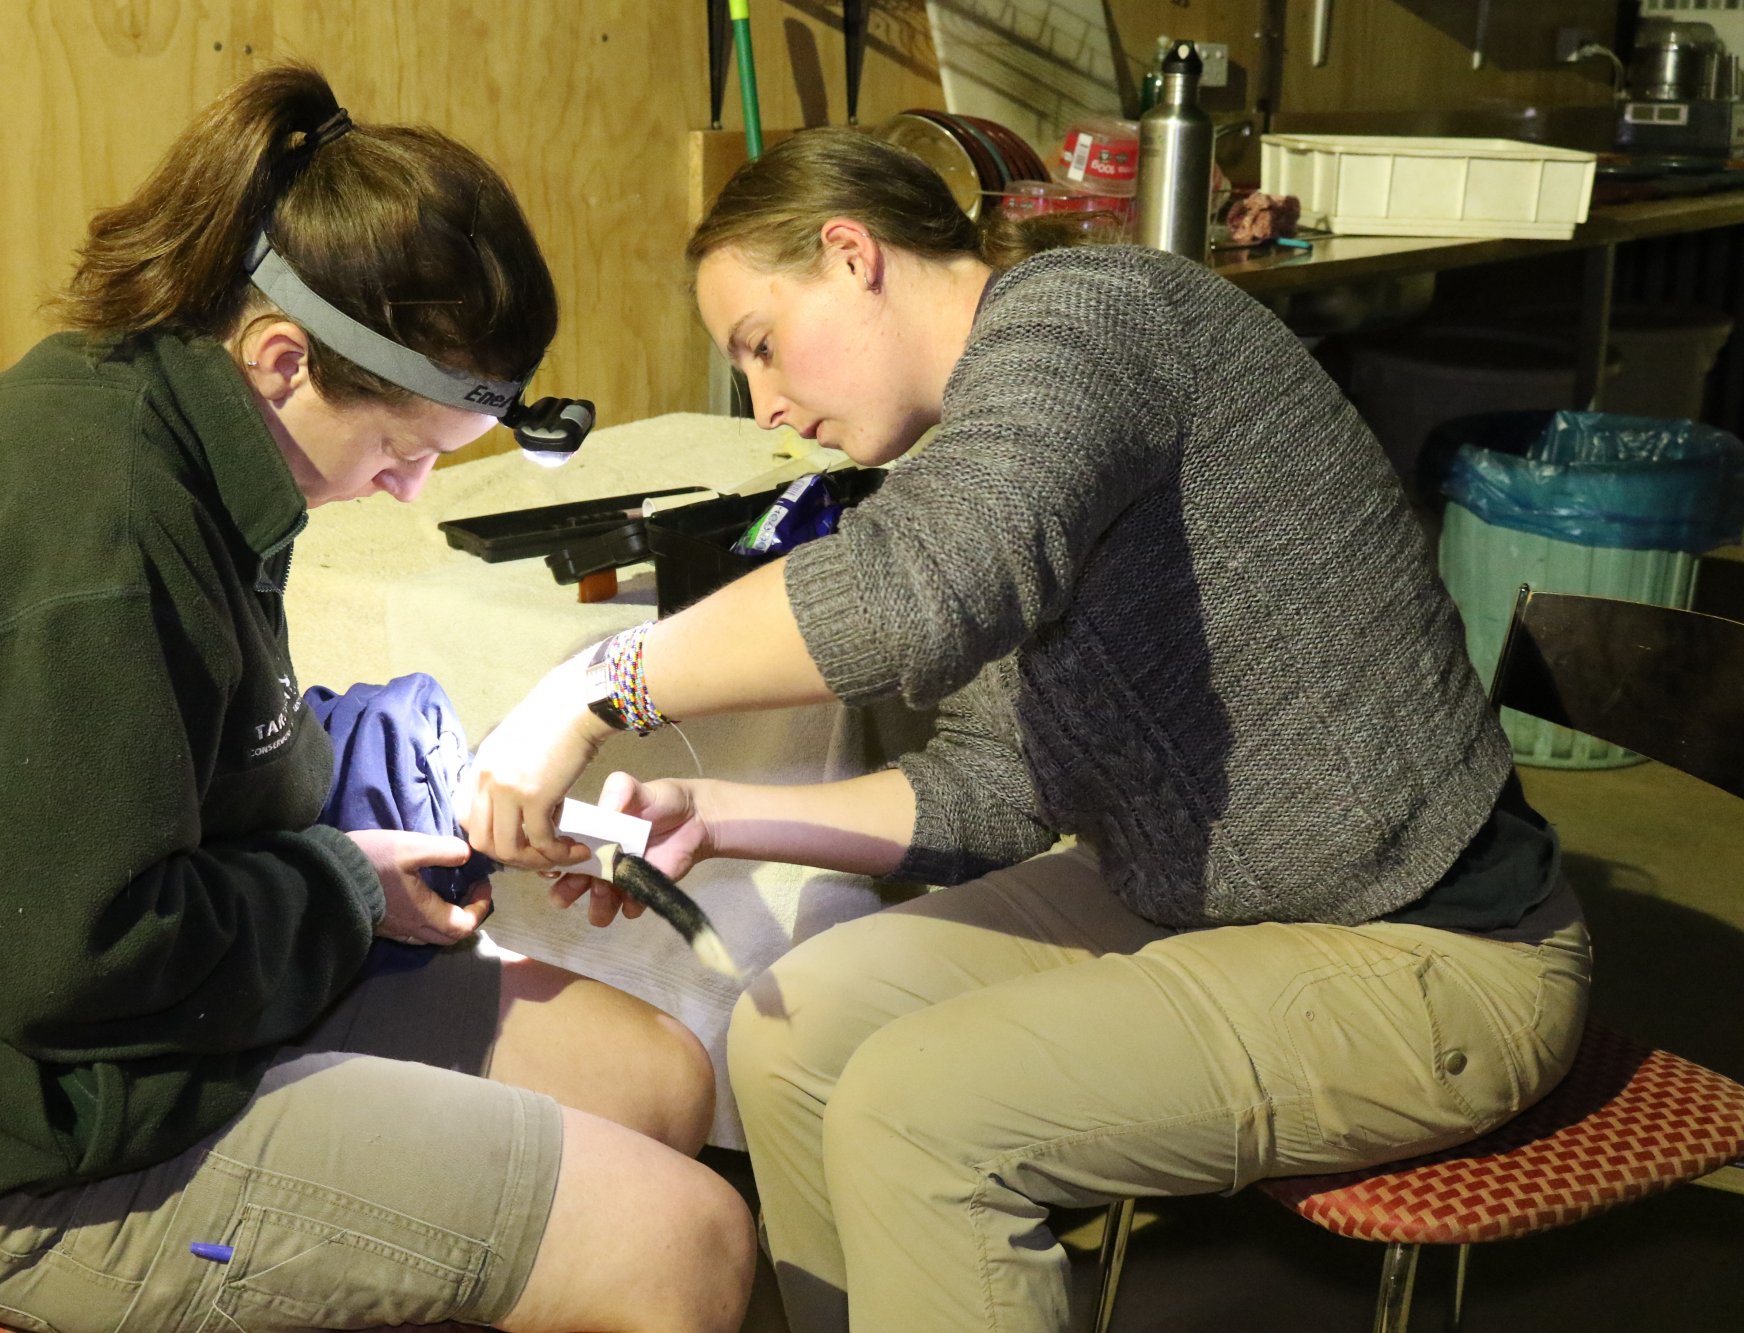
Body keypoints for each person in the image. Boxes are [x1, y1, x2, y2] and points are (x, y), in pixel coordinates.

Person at [465, 128, 1590, 1332]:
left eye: (760, 345)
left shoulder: (1093, 320)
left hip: (1426, 950)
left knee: (920, 1113)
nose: (767, 405)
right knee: (794, 1037)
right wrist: (726, 816)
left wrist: (593, 688)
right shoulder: (983, 444)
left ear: (851, 255)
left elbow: (918, 591)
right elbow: (995, 788)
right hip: (1208, 895)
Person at [0, 65, 753, 1333]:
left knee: (657, 1074)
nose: (409, 492)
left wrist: (377, 815)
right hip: (56, 1149)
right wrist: (343, 890)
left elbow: (178, 767)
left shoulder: (175, 423)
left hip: (140, 1042)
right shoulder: (98, 535)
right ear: (283, 357)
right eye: (403, 452)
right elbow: (74, 961)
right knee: (681, 1243)